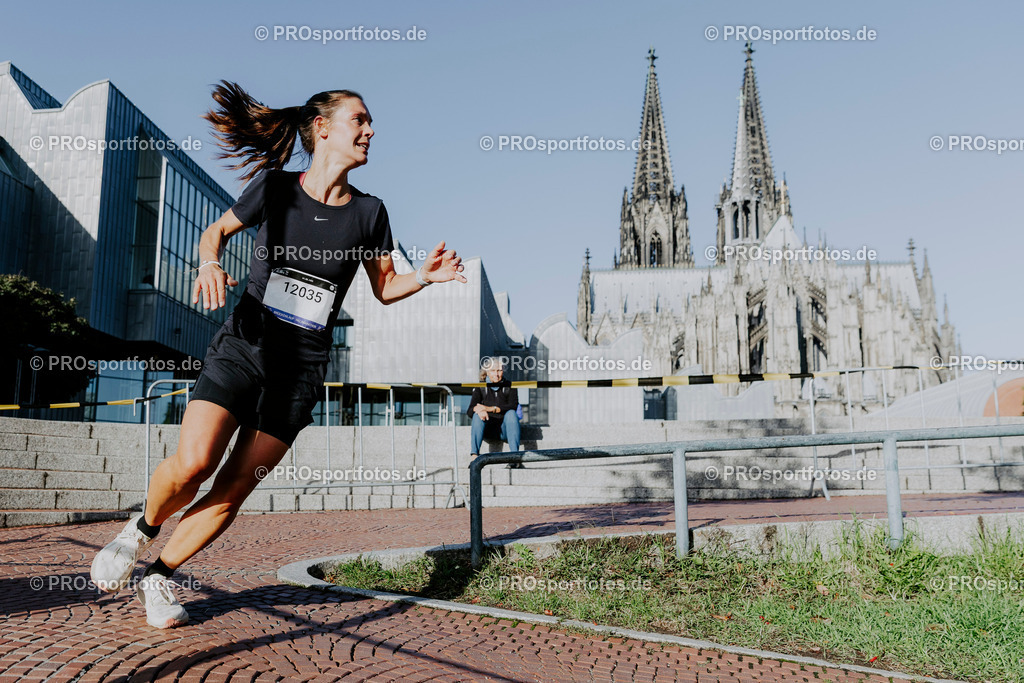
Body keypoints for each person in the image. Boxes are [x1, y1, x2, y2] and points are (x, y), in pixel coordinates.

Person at [90, 82, 466, 629]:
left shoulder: (370, 213)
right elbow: (215, 232)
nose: (370, 130)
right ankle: (139, 531)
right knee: (194, 465)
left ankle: (160, 575)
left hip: (300, 374)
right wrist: (209, 263)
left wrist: (426, 278)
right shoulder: (274, 188)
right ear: (323, 128)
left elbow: (384, 288)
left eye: (369, 122)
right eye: (359, 120)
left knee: (234, 487)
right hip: (243, 348)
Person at [467, 357, 521, 461]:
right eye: (493, 370)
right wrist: (479, 410)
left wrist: (490, 409)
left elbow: (513, 405)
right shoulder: (480, 386)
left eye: (499, 370)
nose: (496, 374)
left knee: (511, 413)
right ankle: (474, 456)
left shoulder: (509, 385)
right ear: (486, 372)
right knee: (477, 414)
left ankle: (515, 457)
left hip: (505, 430)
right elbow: (469, 411)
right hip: (486, 430)